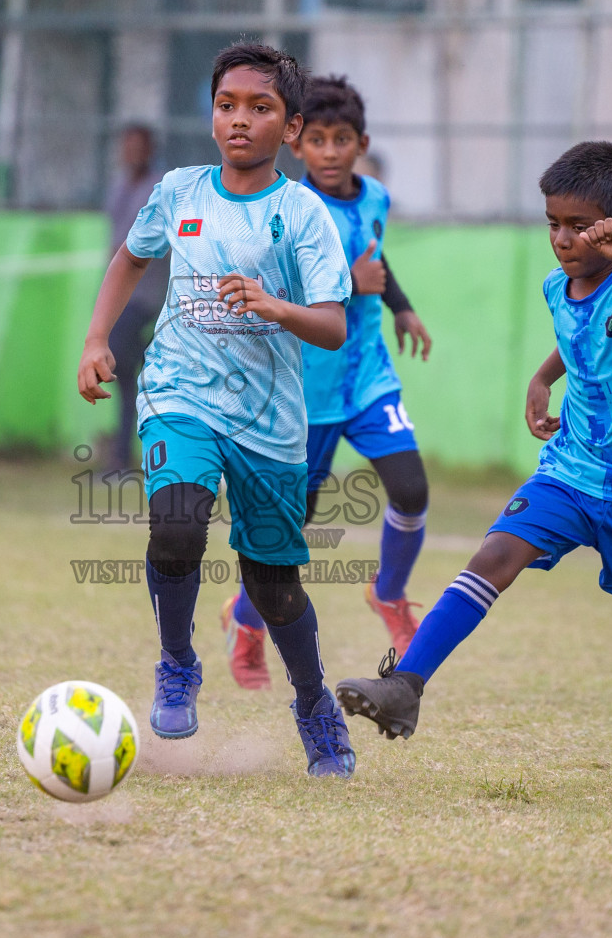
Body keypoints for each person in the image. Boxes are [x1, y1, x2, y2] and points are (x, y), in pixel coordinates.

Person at [336, 142, 612, 795]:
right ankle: (405, 686)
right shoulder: (554, 287)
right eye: (553, 223)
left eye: (578, 225)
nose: (563, 238)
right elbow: (581, 336)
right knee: (493, 558)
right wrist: (543, 377)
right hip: (572, 470)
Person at [76, 42, 358, 777]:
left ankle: (313, 704)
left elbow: (332, 325)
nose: (239, 120)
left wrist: (276, 306)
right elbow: (131, 257)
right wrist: (97, 337)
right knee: (175, 525)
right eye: (227, 105)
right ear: (211, 117)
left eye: (260, 108)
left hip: (269, 422)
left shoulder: (302, 215)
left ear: (291, 129)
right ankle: (176, 663)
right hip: (178, 395)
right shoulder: (178, 193)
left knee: (274, 586)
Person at [219, 75, 435, 690]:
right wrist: (350, 286)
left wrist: (401, 306)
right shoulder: (286, 210)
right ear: (298, 145)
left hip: (367, 380)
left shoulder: (376, 200)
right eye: (318, 140)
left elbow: (374, 260)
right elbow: (278, 290)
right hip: (303, 390)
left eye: (342, 139)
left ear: (360, 143)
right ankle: (246, 622)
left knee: (411, 489)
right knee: (289, 529)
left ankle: (388, 595)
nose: (332, 152)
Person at [102, 124, 164, 470]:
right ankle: (123, 453)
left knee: (122, 362)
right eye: (128, 146)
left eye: (139, 147)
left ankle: (127, 454)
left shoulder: (159, 188)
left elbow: (138, 246)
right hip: (122, 295)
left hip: (147, 297)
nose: (133, 153)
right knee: (126, 374)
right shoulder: (117, 187)